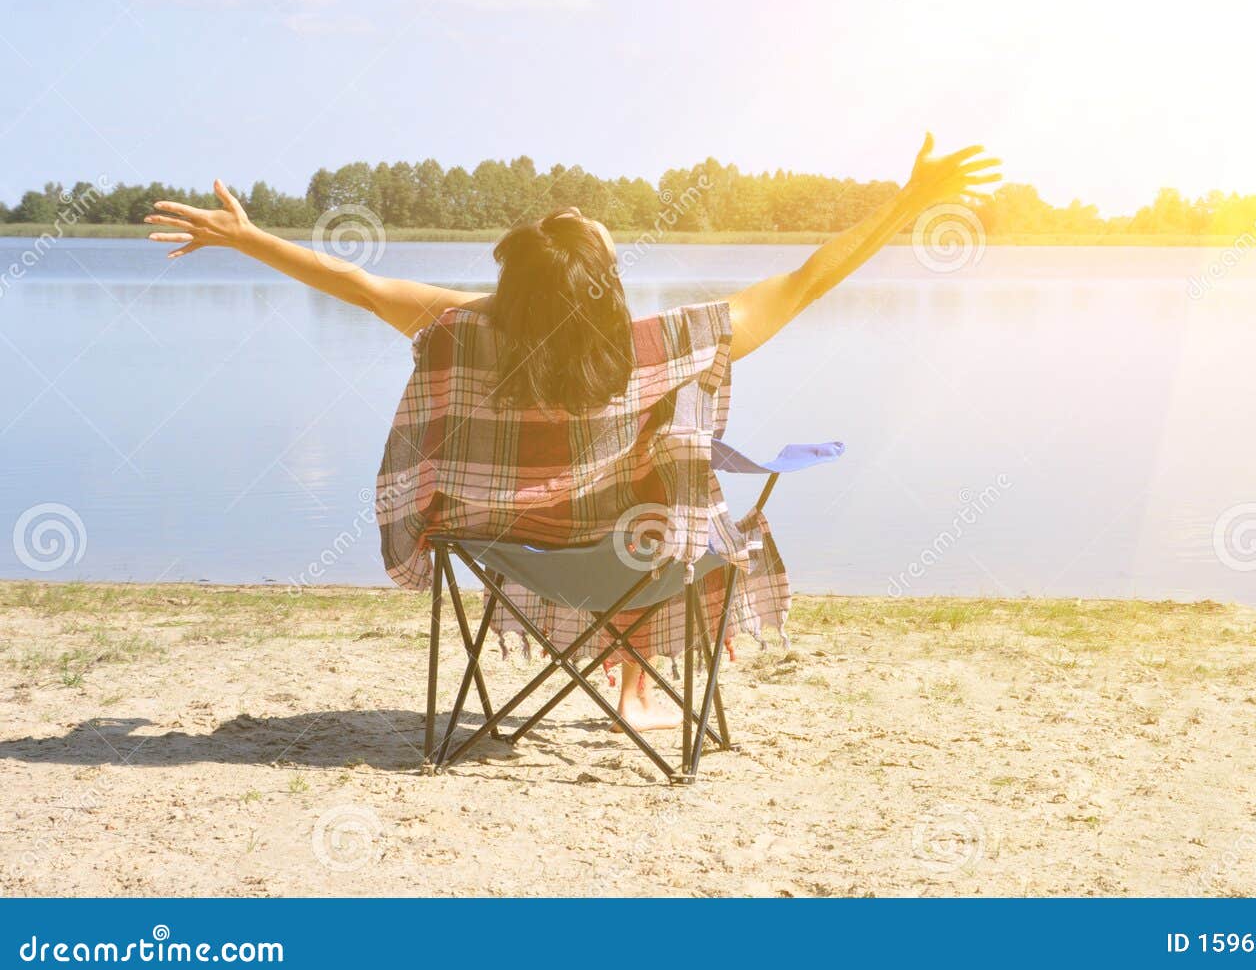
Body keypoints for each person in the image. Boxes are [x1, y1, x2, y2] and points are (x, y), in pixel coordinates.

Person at [145, 135, 999, 730]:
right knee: (689, 482)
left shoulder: (461, 331)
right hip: (629, 558)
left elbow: (352, 279)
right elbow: (811, 278)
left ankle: (600, 670)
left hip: (502, 551)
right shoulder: (664, 345)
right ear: (606, 283)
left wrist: (249, 237)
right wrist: (908, 202)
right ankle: (644, 672)